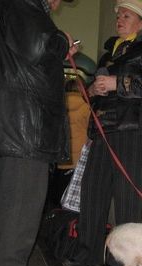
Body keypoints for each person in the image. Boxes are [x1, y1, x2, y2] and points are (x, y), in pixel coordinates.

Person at [0, 0, 78, 266]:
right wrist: (62, 40)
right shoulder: (22, 4)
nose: (56, 4)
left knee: (6, 197)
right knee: (24, 197)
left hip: (13, 119)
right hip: (25, 122)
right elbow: (38, 46)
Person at [67, 0, 142, 266]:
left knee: (127, 196)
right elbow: (95, 93)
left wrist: (118, 83)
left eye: (127, 15)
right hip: (103, 131)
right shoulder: (108, 54)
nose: (120, 19)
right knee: (93, 191)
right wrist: (92, 92)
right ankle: (88, 253)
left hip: (132, 130)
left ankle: (122, 259)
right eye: (119, 15)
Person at [47, 77, 90, 207]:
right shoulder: (86, 108)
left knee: (57, 195)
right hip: (78, 161)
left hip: (60, 159)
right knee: (73, 199)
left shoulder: (57, 107)